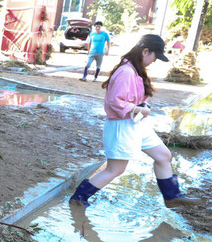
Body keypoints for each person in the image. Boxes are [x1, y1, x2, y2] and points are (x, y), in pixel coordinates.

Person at [69, 33, 199, 209]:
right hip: (122, 125)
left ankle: (172, 196)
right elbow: (115, 101)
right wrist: (139, 109)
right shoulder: (126, 71)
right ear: (146, 51)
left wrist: (141, 105)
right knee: (115, 169)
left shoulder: (135, 70)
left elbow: (132, 98)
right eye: (155, 56)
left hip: (138, 123)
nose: (155, 61)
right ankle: (79, 198)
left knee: (163, 155)